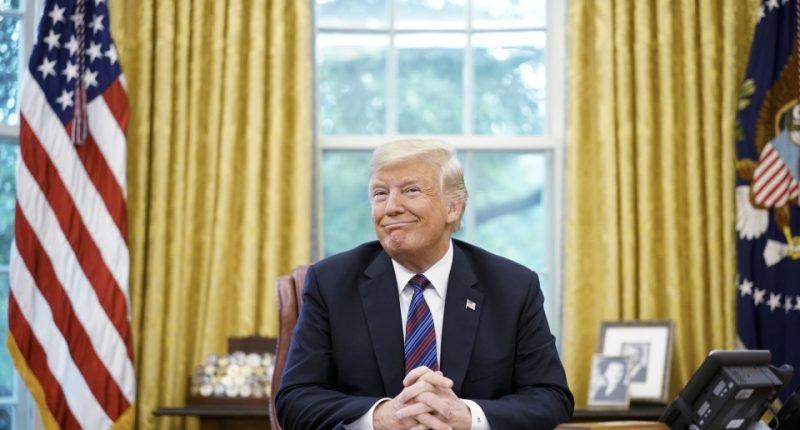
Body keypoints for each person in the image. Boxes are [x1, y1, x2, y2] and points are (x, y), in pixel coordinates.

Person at [275, 139, 574, 429]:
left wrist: (467, 416)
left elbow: (550, 397)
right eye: (380, 194)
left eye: (411, 190)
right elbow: (295, 400)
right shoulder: (331, 283)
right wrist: (379, 417)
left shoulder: (513, 287)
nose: (391, 207)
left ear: (452, 208)